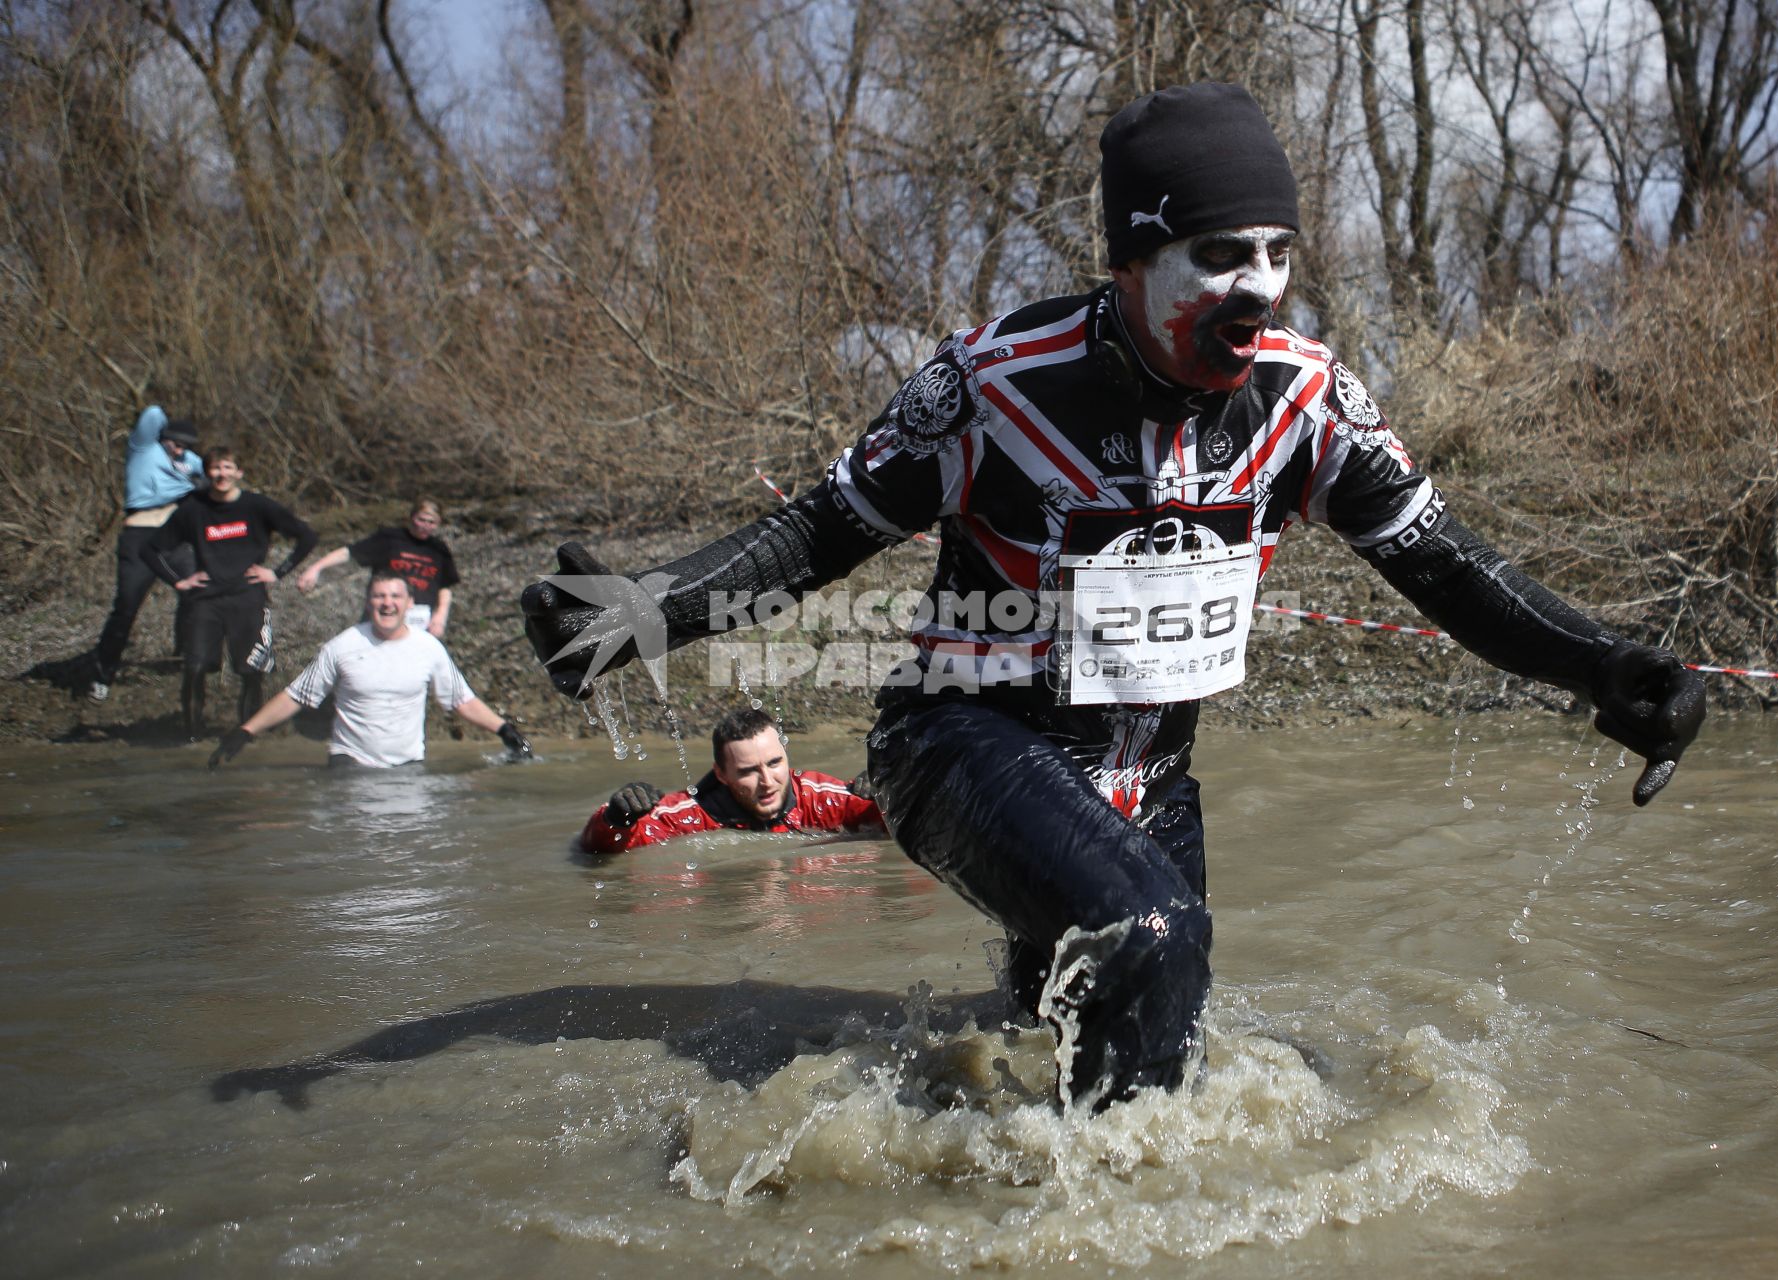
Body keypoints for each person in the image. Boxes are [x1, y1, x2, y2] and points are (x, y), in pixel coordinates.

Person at [520, 83, 1705, 1112]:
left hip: (1153, 775)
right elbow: (817, 534)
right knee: (1153, 939)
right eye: (1223, 258)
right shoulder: (991, 382)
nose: (1261, 291)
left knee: (1120, 1027)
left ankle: (970, 1172)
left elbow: (1442, 561)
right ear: (1132, 262)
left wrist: (1602, 663)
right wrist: (643, 612)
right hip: (959, 739)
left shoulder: (1306, 400)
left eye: (1279, 256)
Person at [209, 571, 532, 769]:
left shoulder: (429, 648)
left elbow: (461, 700)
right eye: (379, 596)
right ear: (369, 602)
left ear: (409, 603)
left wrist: (505, 731)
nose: (387, 603)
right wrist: (245, 731)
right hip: (350, 764)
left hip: (407, 768)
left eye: (395, 596)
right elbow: (297, 696)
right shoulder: (342, 646)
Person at [143, 446, 318, 739]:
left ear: (239, 472)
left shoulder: (258, 506)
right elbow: (150, 549)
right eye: (215, 469)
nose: (221, 474)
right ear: (206, 473)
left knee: (251, 672)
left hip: (248, 598)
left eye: (227, 468)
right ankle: (192, 739)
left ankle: (246, 736)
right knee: (195, 667)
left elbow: (307, 536)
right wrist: (178, 582)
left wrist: (276, 572)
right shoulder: (193, 510)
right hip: (205, 600)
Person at [580, 706, 882, 855]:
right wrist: (616, 817)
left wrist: (890, 793)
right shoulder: (693, 812)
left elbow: (903, 827)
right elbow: (603, 846)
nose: (768, 781)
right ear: (721, 774)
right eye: (749, 771)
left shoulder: (818, 797)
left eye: (775, 763)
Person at [89, 405, 204, 701]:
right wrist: (166, 428)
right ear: (164, 437)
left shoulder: (190, 460)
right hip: (139, 537)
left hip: (174, 538)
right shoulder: (143, 448)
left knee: (196, 592)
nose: (180, 449)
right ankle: (102, 675)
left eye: (186, 446)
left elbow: (213, 480)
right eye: (176, 443)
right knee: (126, 606)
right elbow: (152, 412)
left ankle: (183, 656)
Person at [295, 497, 460, 637]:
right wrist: (315, 568)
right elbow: (349, 553)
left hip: (419, 618)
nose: (424, 526)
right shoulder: (390, 538)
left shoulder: (438, 549)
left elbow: (444, 586)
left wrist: (440, 617)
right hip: (383, 610)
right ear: (411, 518)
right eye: (421, 520)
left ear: (438, 523)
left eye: (431, 522)